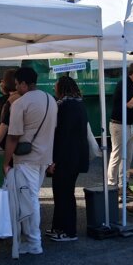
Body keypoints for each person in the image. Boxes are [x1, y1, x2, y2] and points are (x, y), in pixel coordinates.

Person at [3, 67, 57, 255]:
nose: (16, 88)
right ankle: (32, 240)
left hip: (26, 159)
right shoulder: (51, 100)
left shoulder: (20, 103)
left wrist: (6, 162)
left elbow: (13, 136)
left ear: (24, 84)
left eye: (17, 84)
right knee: (31, 198)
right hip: (44, 157)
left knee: (29, 200)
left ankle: (34, 243)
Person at [46, 75, 89, 242]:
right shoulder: (79, 104)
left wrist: (53, 160)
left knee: (62, 193)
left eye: (56, 86)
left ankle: (67, 231)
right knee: (67, 192)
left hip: (65, 157)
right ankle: (59, 227)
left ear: (61, 88)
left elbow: (61, 136)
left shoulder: (63, 106)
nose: (54, 89)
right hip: (77, 156)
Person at [107, 62, 133, 193]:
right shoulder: (124, 84)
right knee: (117, 155)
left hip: (128, 125)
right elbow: (130, 104)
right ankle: (112, 185)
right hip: (119, 125)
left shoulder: (131, 85)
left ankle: (123, 185)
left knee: (128, 156)